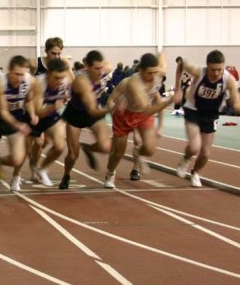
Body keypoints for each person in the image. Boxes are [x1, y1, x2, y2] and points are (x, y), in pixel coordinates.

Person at [103, 53, 177, 188]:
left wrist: (163, 57)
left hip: (143, 115)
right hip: (125, 115)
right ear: (141, 70)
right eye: (149, 73)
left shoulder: (158, 74)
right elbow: (110, 100)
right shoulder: (131, 83)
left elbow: (162, 55)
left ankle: (138, 153)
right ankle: (110, 172)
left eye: (156, 72)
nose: (153, 76)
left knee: (149, 149)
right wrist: (113, 109)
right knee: (119, 152)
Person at [174, 51, 240, 187]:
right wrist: (178, 89)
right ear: (207, 66)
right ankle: (186, 159)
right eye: (213, 69)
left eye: (220, 69)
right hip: (193, 110)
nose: (217, 73)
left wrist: (238, 104)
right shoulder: (198, 71)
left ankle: (195, 172)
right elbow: (181, 63)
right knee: (195, 146)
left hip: (211, 114)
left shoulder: (229, 79)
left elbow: (237, 102)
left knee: (205, 153)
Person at [0, 55, 36, 193]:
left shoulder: (30, 81)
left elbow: (29, 100)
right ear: (9, 70)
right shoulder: (1, 82)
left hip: (17, 118)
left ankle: (5, 166)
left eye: (22, 74)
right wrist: (19, 126)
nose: (19, 78)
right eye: (16, 74)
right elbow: (3, 112)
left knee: (17, 159)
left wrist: (33, 114)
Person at [59, 50, 114, 190]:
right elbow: (92, 109)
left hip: (93, 113)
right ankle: (66, 175)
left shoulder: (105, 69)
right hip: (76, 115)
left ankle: (88, 148)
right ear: (87, 67)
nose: (99, 72)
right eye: (96, 69)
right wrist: (112, 109)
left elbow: (108, 65)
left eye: (101, 68)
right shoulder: (82, 81)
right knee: (72, 155)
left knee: (106, 146)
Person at [22, 58, 71, 188]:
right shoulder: (39, 83)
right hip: (35, 114)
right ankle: (27, 166)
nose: (59, 81)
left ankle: (42, 169)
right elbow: (38, 111)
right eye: (56, 78)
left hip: (51, 114)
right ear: (48, 75)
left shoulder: (65, 80)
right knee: (29, 149)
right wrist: (54, 107)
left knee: (60, 147)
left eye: (62, 78)